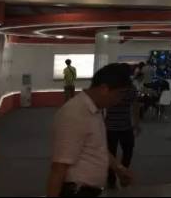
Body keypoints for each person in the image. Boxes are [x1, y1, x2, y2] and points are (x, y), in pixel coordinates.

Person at [47, 64, 135, 197]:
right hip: (77, 192)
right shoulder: (74, 114)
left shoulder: (95, 110)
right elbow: (59, 167)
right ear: (104, 89)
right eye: (119, 94)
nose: (119, 100)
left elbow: (97, 147)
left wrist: (119, 168)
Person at [105, 64, 142, 189]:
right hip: (125, 126)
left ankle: (111, 179)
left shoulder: (111, 87)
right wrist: (136, 124)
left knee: (111, 153)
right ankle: (123, 175)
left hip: (110, 127)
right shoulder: (131, 88)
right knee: (128, 152)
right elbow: (135, 107)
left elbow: (103, 106)